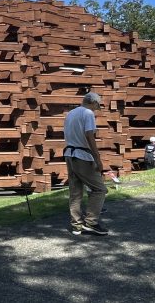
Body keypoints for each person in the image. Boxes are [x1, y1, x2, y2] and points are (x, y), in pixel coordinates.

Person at [63, 92, 108, 236]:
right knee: (99, 189)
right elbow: (90, 136)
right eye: (97, 106)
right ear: (93, 102)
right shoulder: (88, 113)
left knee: (75, 192)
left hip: (69, 154)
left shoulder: (71, 113)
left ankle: (77, 226)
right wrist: (98, 159)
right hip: (82, 156)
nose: (96, 109)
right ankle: (91, 222)